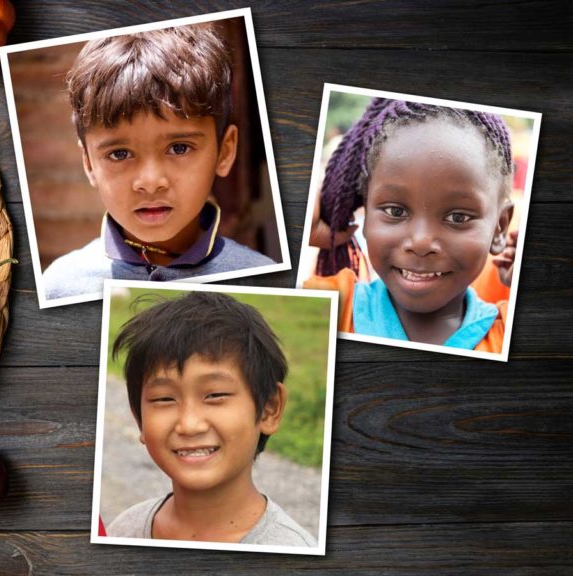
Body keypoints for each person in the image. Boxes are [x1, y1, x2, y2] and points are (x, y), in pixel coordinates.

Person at [41, 24, 275, 300]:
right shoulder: (60, 286)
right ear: (89, 164)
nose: (150, 182)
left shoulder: (261, 280)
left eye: (178, 148)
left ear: (224, 152)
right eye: (119, 153)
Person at [304, 98, 518, 351]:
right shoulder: (329, 306)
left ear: (499, 228)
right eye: (395, 211)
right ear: (365, 213)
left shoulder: (506, 333)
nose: (421, 242)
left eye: (458, 217)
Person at [106, 292, 316, 547]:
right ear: (138, 415)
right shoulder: (123, 531)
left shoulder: (292, 553)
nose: (189, 424)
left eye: (215, 395)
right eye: (164, 399)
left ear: (269, 409)